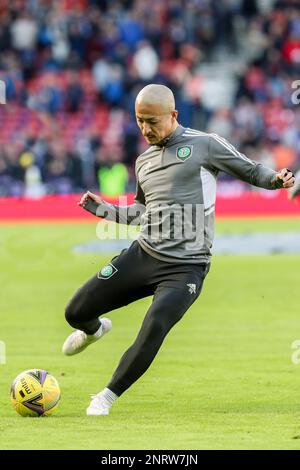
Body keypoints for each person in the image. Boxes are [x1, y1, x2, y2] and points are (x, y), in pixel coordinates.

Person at [62, 84, 295, 416]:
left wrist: (276, 180)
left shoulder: (205, 145)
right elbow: (142, 212)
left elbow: (251, 168)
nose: (145, 129)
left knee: (154, 325)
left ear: (173, 115)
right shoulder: (143, 161)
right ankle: (95, 330)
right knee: (74, 312)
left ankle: (106, 396)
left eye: (152, 121)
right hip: (143, 255)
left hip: (186, 267)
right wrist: (103, 210)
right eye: (140, 121)